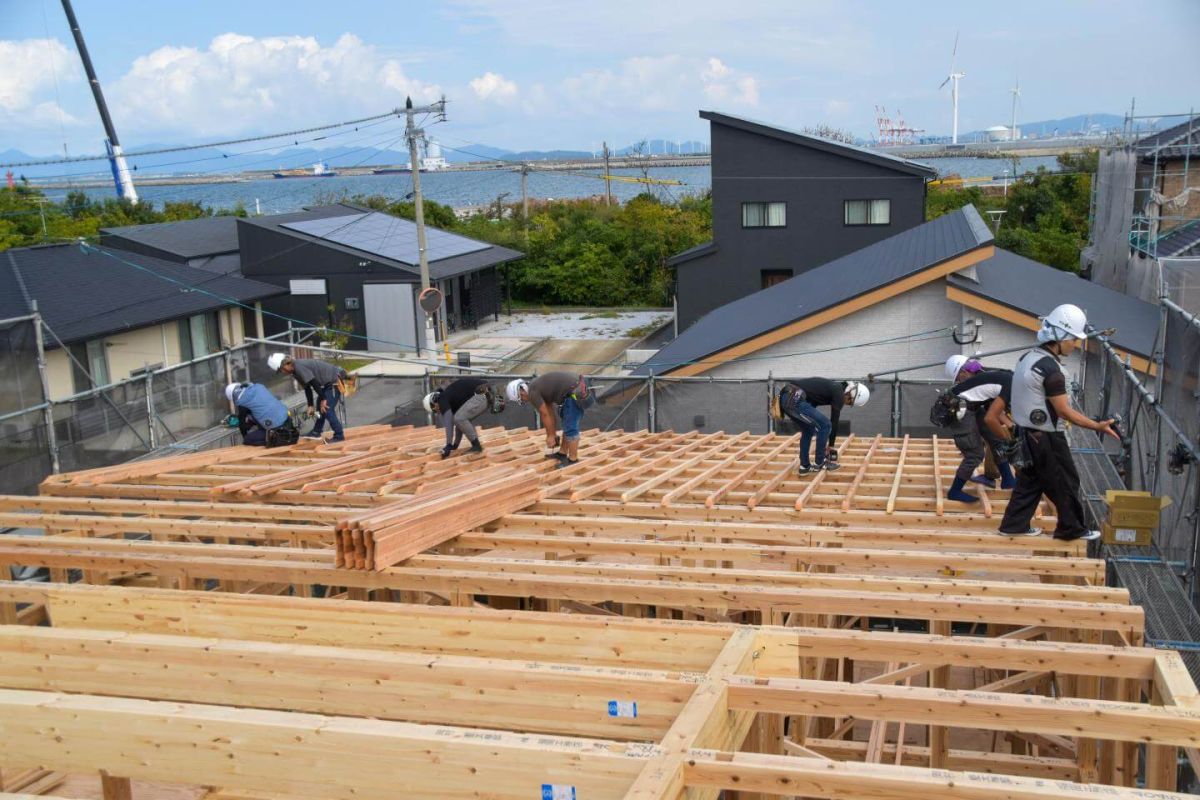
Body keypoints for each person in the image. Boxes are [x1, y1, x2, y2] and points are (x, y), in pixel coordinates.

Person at [997, 304, 1120, 541]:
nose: (1074, 344)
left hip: (1025, 433)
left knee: (1030, 480)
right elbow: (1064, 411)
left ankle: (1013, 525)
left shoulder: (1028, 358)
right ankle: (1071, 529)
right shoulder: (1051, 370)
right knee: (1065, 480)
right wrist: (1098, 426)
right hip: (1046, 436)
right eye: (1073, 339)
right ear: (1060, 337)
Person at [942, 355, 1016, 504]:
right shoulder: (999, 378)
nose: (959, 382)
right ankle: (955, 491)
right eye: (957, 380)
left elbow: (994, 409)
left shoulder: (990, 379)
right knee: (975, 453)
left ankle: (1008, 479)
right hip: (959, 409)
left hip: (975, 408)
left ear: (964, 372)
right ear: (964, 370)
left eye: (958, 379)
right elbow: (993, 415)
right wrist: (1012, 429)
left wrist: (1010, 429)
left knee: (997, 439)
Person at [778, 379, 870, 475]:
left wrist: (823, 440)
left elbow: (811, 406)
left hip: (789, 397)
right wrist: (830, 446)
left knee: (808, 429)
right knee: (825, 425)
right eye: (850, 401)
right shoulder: (839, 393)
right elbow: (834, 421)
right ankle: (820, 462)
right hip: (794, 398)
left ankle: (804, 466)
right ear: (850, 392)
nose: (847, 403)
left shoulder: (832, 388)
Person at [507, 372, 592, 469]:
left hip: (573, 395)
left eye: (521, 398)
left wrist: (550, 436)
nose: (524, 401)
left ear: (521, 391)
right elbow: (550, 413)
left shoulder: (532, 393)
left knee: (571, 428)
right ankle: (562, 453)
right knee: (567, 424)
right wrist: (552, 434)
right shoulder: (538, 387)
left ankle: (573, 460)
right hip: (573, 393)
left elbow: (544, 414)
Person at [268, 353, 347, 443]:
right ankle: (316, 432)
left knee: (327, 409)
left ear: (286, 363)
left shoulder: (299, 367)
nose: (282, 372)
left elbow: (314, 382)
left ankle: (339, 436)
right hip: (326, 384)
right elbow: (307, 387)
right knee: (320, 409)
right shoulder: (295, 371)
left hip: (334, 382)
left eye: (281, 369)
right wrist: (310, 405)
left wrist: (324, 399)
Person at [424, 377, 504, 458]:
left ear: (433, 403)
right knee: (460, 419)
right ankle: (476, 445)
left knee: (459, 418)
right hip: (485, 393)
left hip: (482, 393)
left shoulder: (441, 399)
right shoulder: (451, 399)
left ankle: (476, 446)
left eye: (434, 409)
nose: (438, 411)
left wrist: (448, 445)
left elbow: (449, 423)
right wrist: (455, 445)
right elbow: (460, 425)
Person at [226, 382, 298, 447]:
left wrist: (245, 437)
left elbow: (242, 426)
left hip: (277, 430)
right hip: (288, 421)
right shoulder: (259, 387)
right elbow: (261, 409)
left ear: (234, 396)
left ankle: (276, 439)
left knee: (248, 440)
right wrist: (250, 423)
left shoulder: (242, 403)